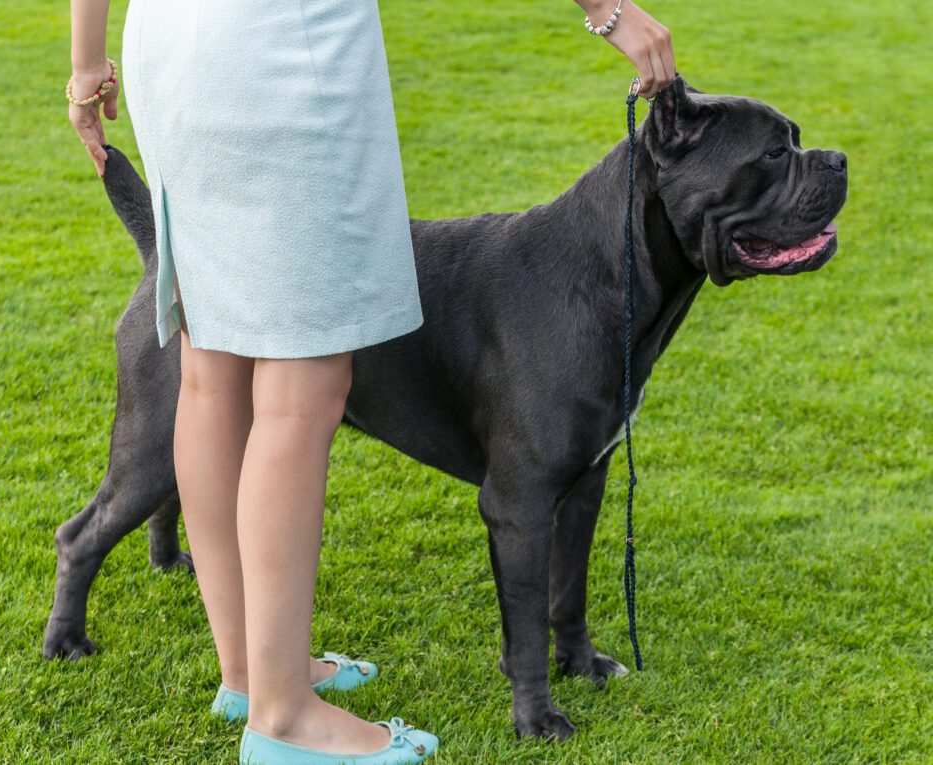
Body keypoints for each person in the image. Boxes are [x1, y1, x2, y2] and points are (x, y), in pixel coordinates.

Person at [66, 0, 675, 762]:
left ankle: (251, 676)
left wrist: (86, 63)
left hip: (168, 41)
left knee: (209, 369)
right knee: (301, 388)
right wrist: (607, 9)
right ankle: (284, 716)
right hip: (285, 50)